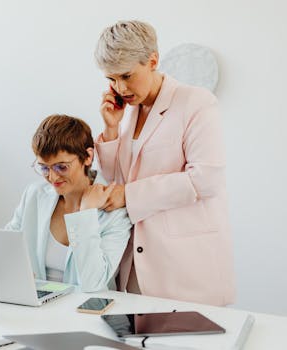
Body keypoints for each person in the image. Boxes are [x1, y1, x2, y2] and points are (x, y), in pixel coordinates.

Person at [93, 20, 235, 306]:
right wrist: (111, 129)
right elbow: (117, 180)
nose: (120, 88)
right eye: (111, 79)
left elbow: (205, 179)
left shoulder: (196, 102)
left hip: (185, 270)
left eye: (126, 76)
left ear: (153, 61)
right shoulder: (129, 113)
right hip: (134, 266)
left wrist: (129, 196)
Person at [6, 114, 132, 292]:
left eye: (61, 167)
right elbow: (7, 247)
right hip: (37, 309)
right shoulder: (34, 195)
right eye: (44, 167)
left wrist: (85, 214)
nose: (52, 177)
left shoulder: (115, 210)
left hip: (89, 314)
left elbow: (93, 284)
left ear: (87, 157)